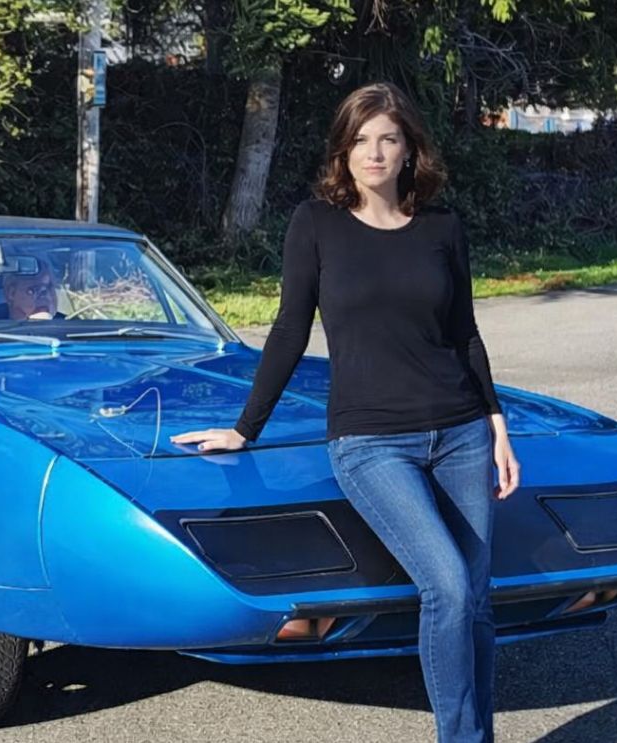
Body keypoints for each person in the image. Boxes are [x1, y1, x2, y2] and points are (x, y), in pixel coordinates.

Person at [171, 81, 521, 743]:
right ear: (343, 148)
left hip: (461, 432)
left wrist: (496, 423)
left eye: (389, 138)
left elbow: (464, 332)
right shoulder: (316, 224)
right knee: (445, 583)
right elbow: (287, 330)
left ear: (410, 148)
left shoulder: (442, 227)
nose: (374, 151)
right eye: (361, 139)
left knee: (474, 598)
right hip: (370, 441)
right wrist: (245, 427)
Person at [0, 258, 66, 321]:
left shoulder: (69, 327)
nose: (46, 296)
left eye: (49, 288)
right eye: (34, 290)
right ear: (11, 293)